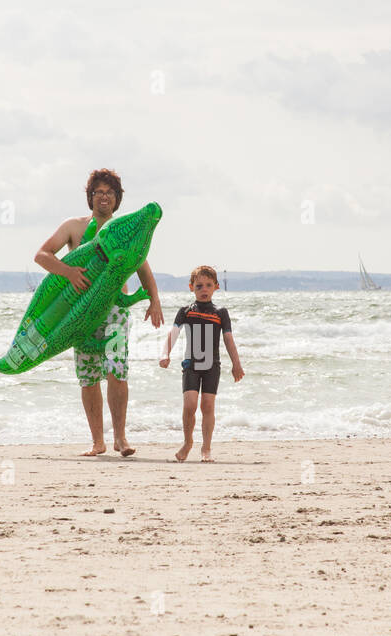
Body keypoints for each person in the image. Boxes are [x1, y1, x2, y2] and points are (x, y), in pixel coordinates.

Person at [34, 168, 163, 457]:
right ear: (90, 197)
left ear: (117, 199)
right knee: (88, 376)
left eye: (109, 193)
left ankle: (120, 438)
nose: (104, 197)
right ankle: (98, 442)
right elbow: (42, 255)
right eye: (98, 192)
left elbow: (142, 264)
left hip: (116, 310)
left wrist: (154, 299)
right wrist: (68, 272)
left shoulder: (124, 228)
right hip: (79, 313)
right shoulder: (74, 227)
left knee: (117, 370)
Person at [158, 266, 244, 462]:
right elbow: (173, 333)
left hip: (212, 366)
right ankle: (188, 442)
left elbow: (228, 339)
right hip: (191, 365)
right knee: (189, 405)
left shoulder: (221, 313)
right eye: (199, 286)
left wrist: (236, 364)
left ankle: (206, 448)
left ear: (216, 287)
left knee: (207, 406)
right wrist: (165, 353)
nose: (203, 289)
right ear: (191, 288)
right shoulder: (185, 311)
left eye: (208, 285)